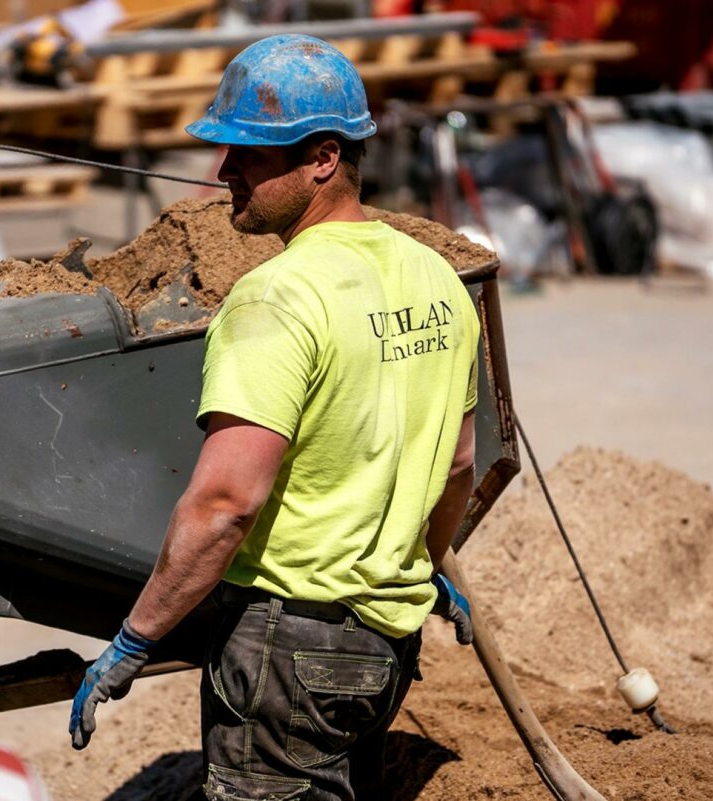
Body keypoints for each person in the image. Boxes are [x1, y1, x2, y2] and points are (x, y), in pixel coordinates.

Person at [68, 34, 479, 800]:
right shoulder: (438, 278)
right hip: (385, 647)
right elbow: (457, 462)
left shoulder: (275, 295)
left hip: (288, 651)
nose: (224, 174)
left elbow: (226, 504)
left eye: (247, 154)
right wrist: (424, 560)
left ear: (323, 157)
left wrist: (135, 638)